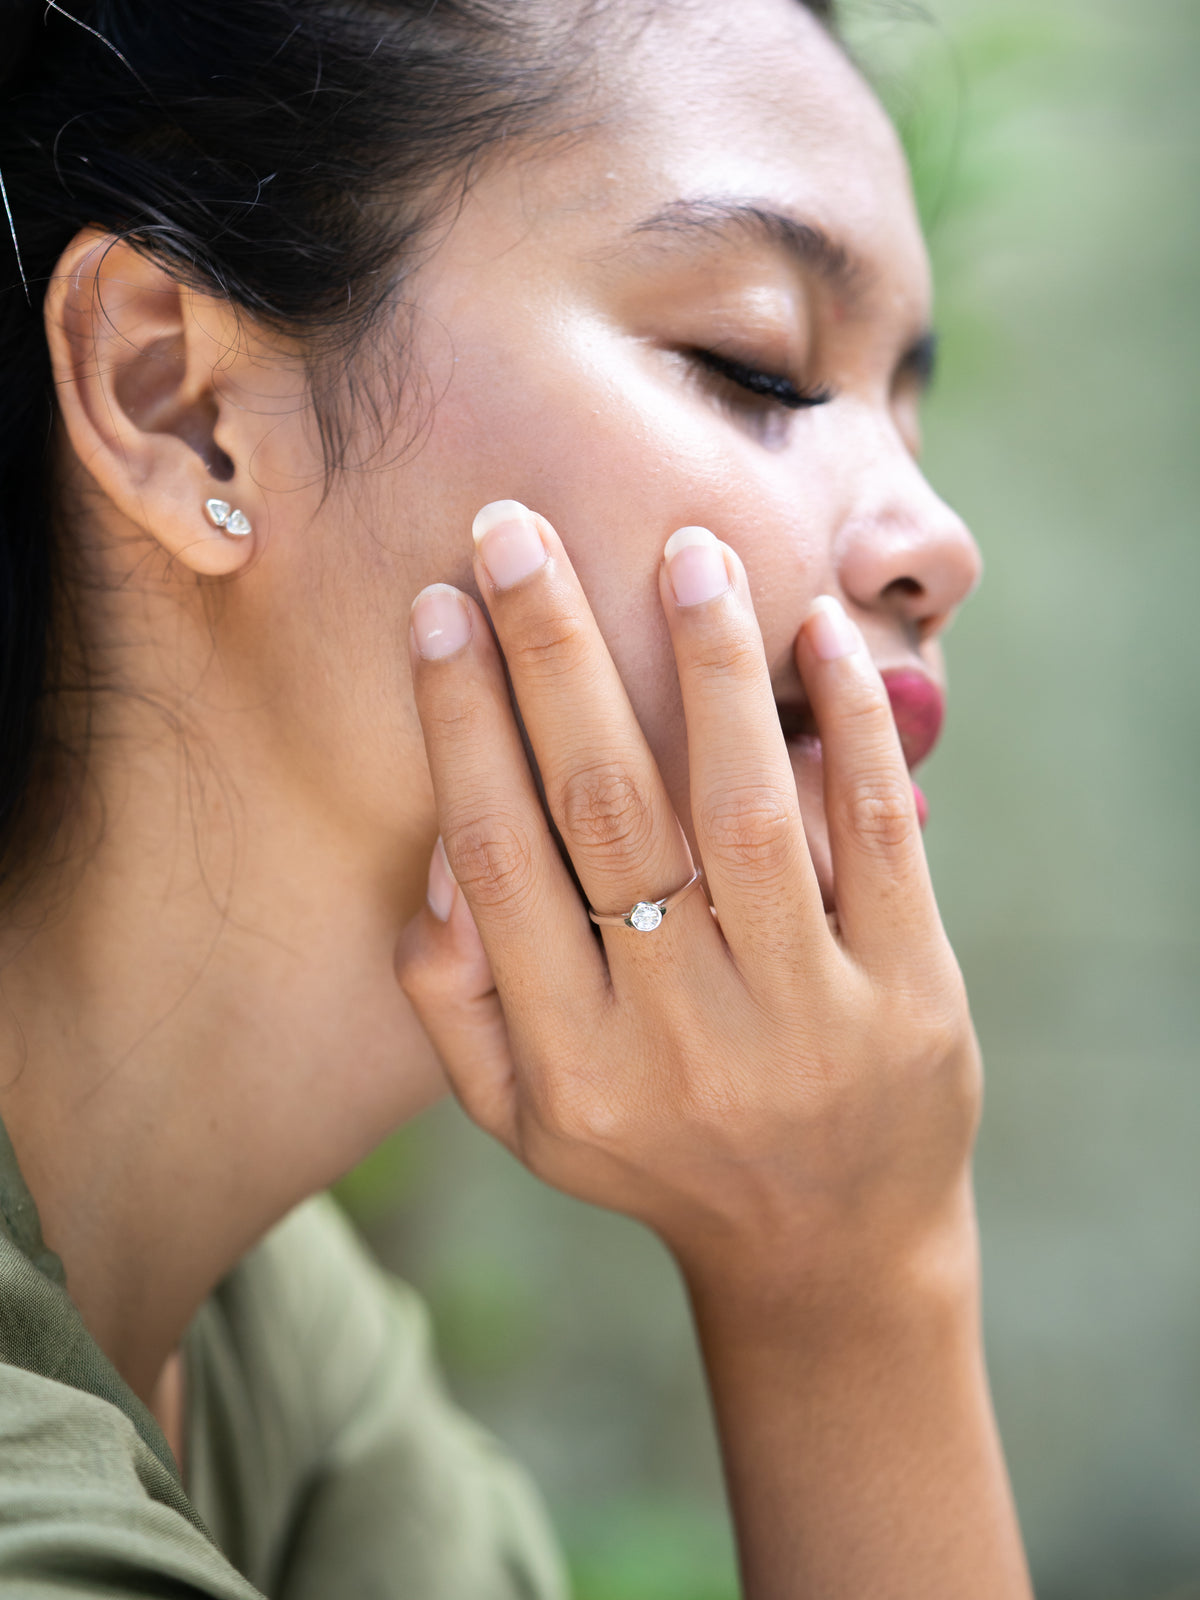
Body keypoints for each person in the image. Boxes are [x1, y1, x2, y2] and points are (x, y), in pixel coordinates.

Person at [0, 0, 1035, 1595]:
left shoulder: (272, 1339)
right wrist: (853, 1293)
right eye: (755, 361)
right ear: (174, 401)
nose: (936, 541)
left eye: (907, 399)